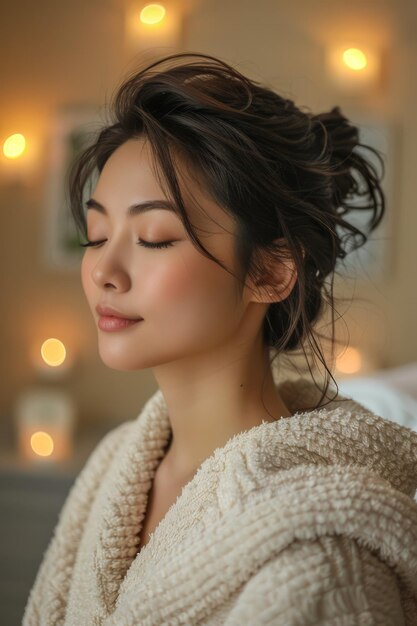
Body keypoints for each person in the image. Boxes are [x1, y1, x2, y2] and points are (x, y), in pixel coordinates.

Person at [23, 52, 417, 625]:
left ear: (270, 273)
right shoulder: (117, 464)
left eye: (155, 237)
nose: (105, 270)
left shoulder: (325, 571)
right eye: (97, 233)